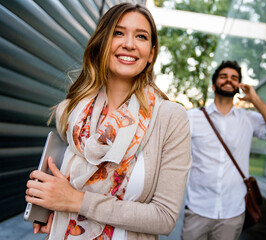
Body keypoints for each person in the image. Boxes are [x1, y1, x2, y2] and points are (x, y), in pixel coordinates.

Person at [25, 3, 191, 240]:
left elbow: (164, 217)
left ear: (151, 53)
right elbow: (63, 188)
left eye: (141, 36)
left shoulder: (170, 118)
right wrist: (55, 211)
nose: (129, 44)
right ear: (103, 42)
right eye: (118, 33)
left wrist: (76, 201)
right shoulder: (71, 111)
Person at [182, 60, 266, 240]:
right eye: (223, 76)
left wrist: (255, 99)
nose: (229, 80)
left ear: (238, 86)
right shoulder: (191, 117)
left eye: (234, 78)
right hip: (197, 209)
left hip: (232, 212)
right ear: (214, 85)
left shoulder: (248, 118)